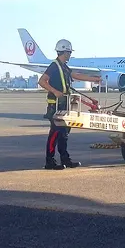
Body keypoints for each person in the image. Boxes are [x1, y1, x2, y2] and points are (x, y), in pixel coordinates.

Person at [38, 39, 99, 170]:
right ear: (64, 52)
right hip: (55, 105)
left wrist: (93, 79)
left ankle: (65, 160)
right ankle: (50, 161)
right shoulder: (54, 65)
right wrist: (55, 92)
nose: (70, 55)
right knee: (55, 133)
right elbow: (42, 81)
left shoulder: (63, 66)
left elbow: (75, 75)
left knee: (64, 133)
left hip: (65, 104)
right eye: (69, 52)